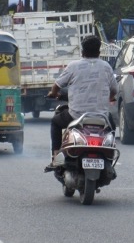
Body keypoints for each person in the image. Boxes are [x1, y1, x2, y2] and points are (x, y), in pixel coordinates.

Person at [44, 35, 117, 172]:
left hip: (75, 116)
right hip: (102, 117)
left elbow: (57, 86)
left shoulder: (74, 66)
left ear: (82, 52)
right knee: (112, 128)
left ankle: (55, 158)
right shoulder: (106, 67)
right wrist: (110, 98)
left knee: (55, 122)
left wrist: (53, 94)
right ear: (99, 52)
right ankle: (109, 157)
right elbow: (114, 90)